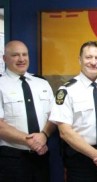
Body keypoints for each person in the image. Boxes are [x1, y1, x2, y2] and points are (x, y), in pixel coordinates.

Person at [49, 41, 97, 182]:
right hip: (81, 161)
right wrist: (96, 155)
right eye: (88, 57)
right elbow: (65, 132)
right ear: (80, 59)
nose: (93, 62)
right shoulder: (66, 91)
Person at [0, 40, 57, 181]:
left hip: (41, 156)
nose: (21, 59)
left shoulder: (42, 83)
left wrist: (44, 135)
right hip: (12, 158)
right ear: (4, 59)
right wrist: (29, 141)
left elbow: (54, 116)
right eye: (15, 55)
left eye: (24, 54)